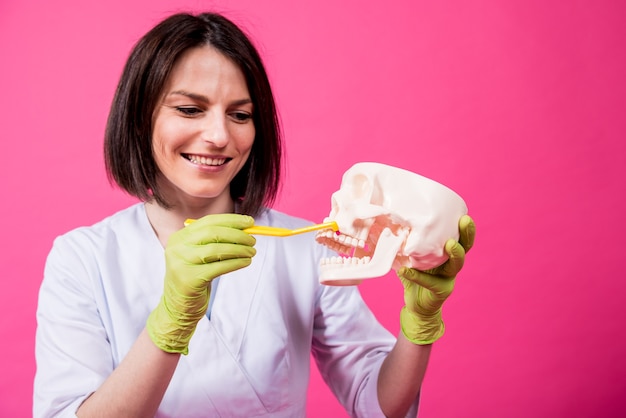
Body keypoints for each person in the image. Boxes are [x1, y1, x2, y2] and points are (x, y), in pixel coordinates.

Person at [33, 11, 475, 418]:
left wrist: (419, 327)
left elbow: (378, 404)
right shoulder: (82, 259)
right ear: (138, 119)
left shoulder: (308, 246)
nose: (219, 135)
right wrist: (168, 324)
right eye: (189, 109)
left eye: (240, 115)